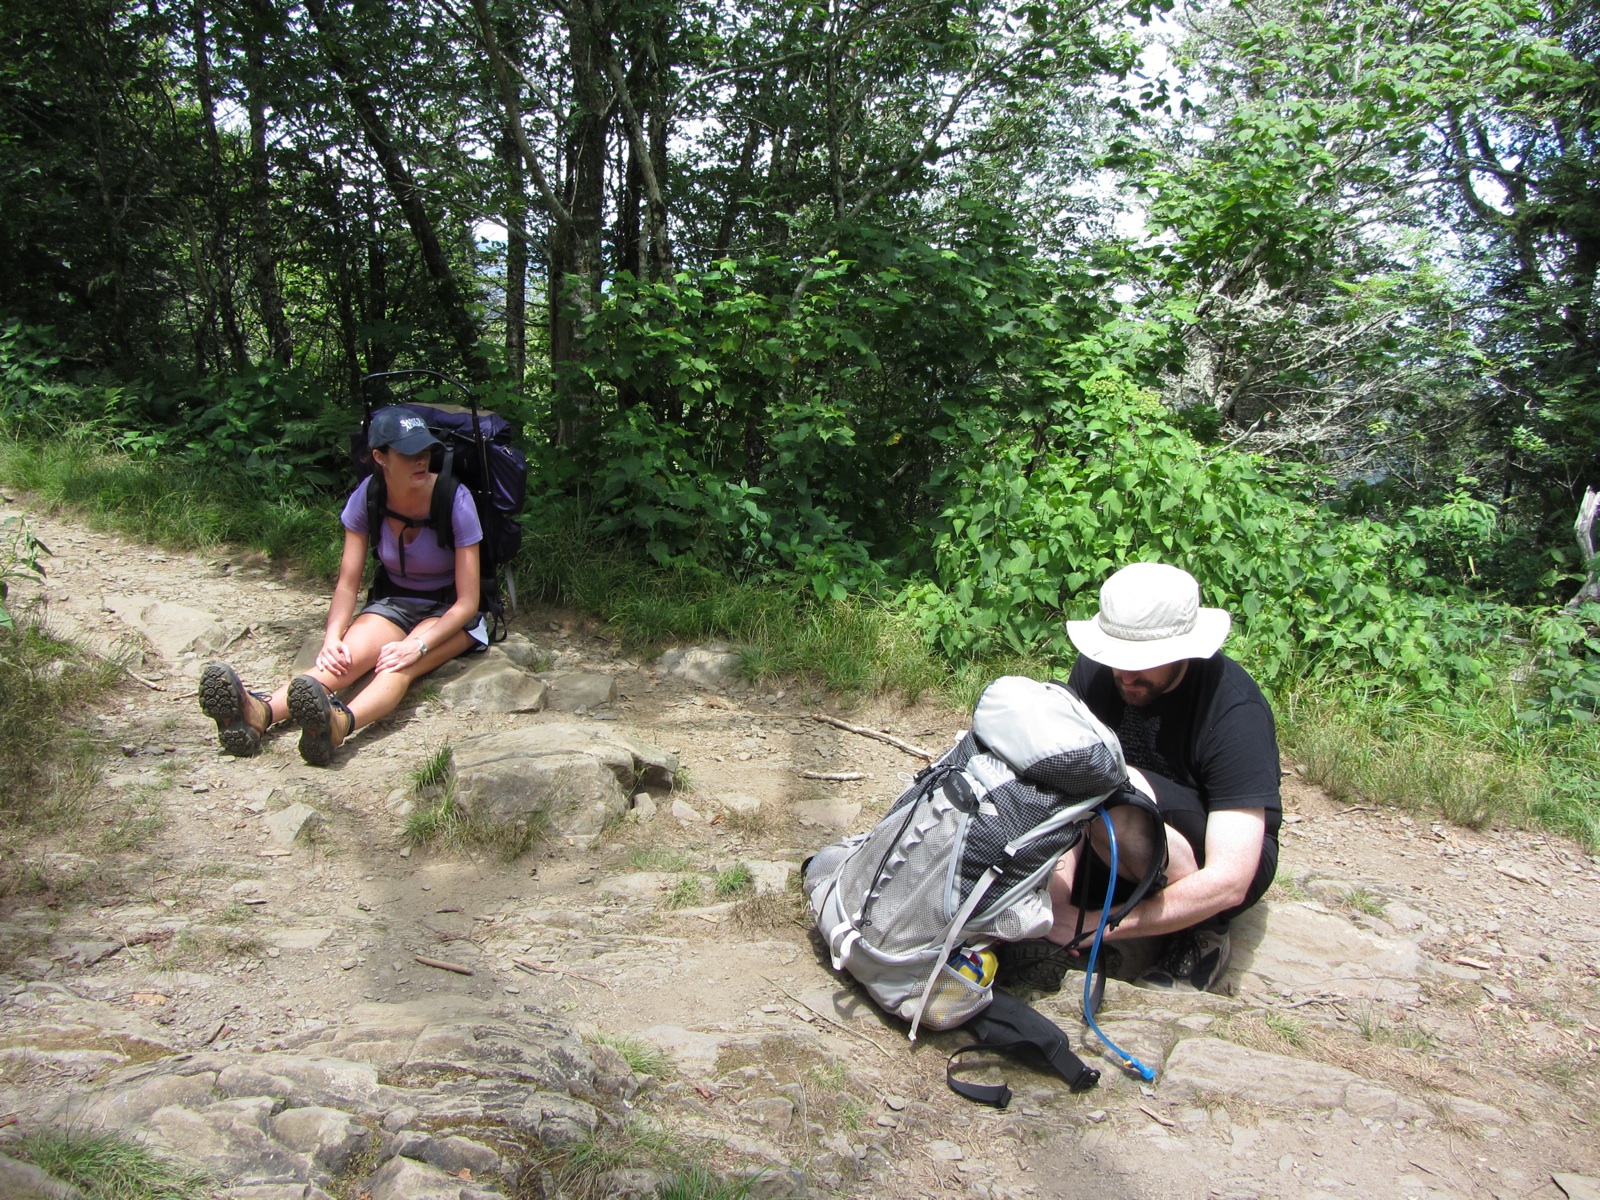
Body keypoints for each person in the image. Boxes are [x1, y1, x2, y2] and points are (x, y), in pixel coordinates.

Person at [1019, 562, 1281, 993]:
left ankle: (1203, 933)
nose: (1125, 674)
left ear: (1184, 651)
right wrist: (1060, 906)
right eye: (1116, 657)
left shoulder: (1234, 711)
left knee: (1124, 800)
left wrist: (1095, 927)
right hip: (1109, 828)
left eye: (1142, 662)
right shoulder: (1097, 674)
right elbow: (1068, 790)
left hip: (1211, 851)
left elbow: (1232, 876)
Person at [198, 405, 487, 765]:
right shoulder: (368, 496)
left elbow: (468, 602)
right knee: (342, 661)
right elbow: (347, 585)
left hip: (449, 610)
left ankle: (339, 723)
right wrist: (332, 637)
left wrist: (420, 645)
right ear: (380, 457)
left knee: (397, 665)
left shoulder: (455, 499)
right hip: (394, 602)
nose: (421, 461)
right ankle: (259, 713)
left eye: (425, 452)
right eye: (409, 453)